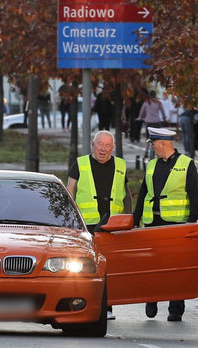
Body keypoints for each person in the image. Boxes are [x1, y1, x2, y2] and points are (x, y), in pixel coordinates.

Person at [133, 127, 198, 322]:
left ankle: (175, 308)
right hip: (152, 222)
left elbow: (195, 196)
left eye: (153, 144)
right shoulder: (152, 165)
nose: (152, 147)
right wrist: (135, 218)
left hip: (176, 224)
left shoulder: (186, 164)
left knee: (176, 267)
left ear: (163, 144)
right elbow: (143, 193)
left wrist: (191, 223)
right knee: (151, 264)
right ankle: (152, 300)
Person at [67, 130, 132, 321]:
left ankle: (107, 307)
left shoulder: (121, 165)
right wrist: (71, 221)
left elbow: (126, 194)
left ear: (112, 147)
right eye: (100, 144)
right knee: (84, 267)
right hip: (87, 225)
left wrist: (129, 218)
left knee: (109, 268)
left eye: (107, 145)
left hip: (113, 225)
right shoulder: (80, 164)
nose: (103, 149)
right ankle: (79, 303)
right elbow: (70, 191)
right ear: (92, 144)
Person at [137, 90, 167, 157]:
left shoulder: (147, 102)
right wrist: (164, 118)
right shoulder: (158, 102)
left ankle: (146, 151)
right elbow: (163, 112)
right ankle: (157, 151)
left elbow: (142, 112)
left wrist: (141, 117)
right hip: (157, 122)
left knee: (147, 137)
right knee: (157, 138)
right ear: (155, 95)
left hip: (149, 122)